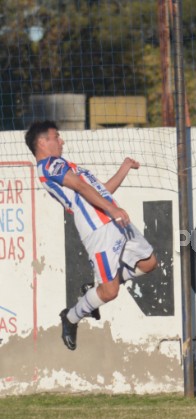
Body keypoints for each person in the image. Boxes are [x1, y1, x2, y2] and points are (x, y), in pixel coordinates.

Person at [25, 120, 157, 351]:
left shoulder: (64, 164)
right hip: (99, 228)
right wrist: (112, 209)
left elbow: (100, 190)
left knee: (148, 263)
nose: (61, 140)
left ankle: (92, 292)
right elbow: (82, 188)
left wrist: (123, 169)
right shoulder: (48, 165)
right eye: (57, 136)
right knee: (110, 292)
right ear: (43, 142)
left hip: (113, 220)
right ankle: (71, 317)